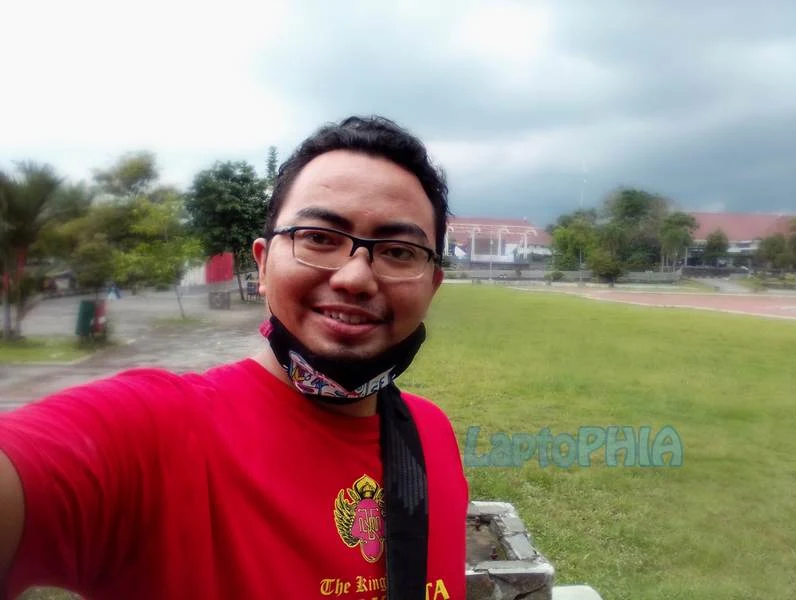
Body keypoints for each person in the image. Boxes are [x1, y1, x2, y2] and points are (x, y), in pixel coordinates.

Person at [0, 116, 468, 600]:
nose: (355, 278)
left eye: (398, 251)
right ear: (263, 264)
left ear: (432, 285)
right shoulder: (155, 433)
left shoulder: (432, 433)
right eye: (319, 238)